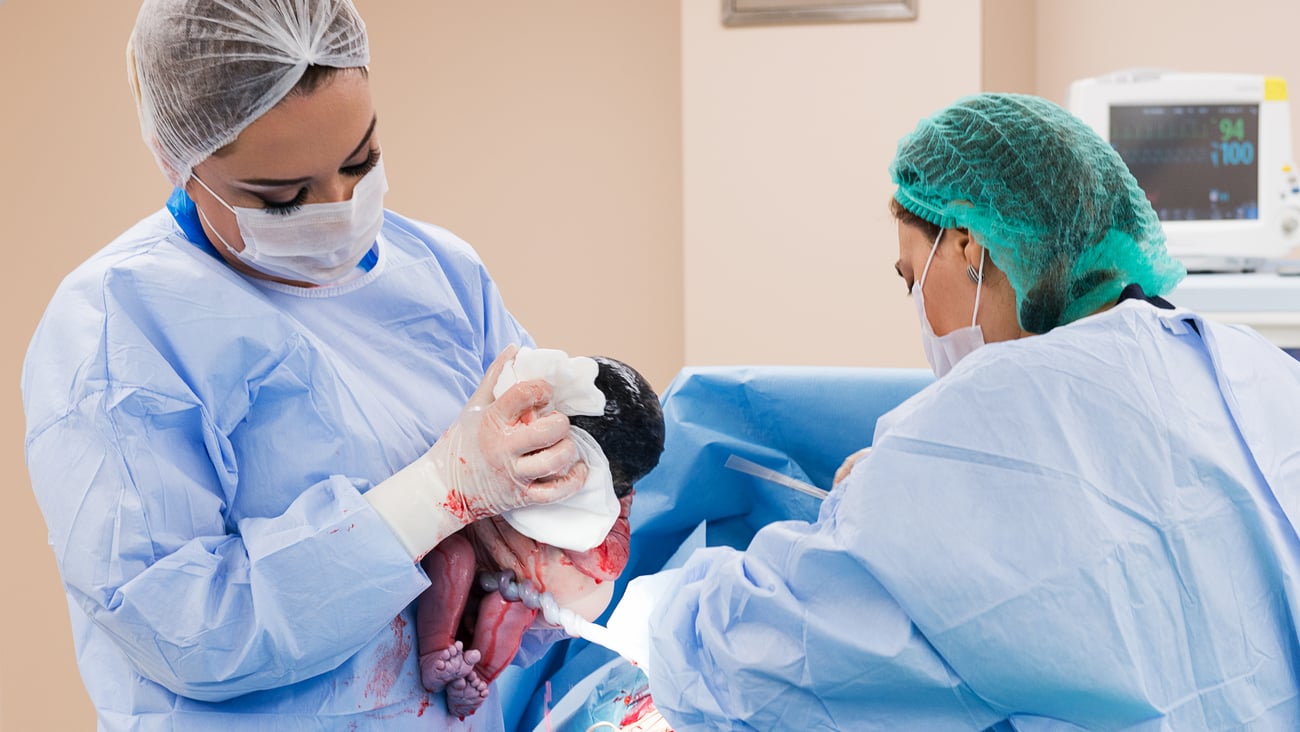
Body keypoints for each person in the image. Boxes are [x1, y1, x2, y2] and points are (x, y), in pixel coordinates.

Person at [635, 93, 1300, 729]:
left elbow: (771, 660)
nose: (918, 308)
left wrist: (655, 612)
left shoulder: (993, 415)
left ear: (969, 250)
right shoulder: (1251, 365)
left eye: (910, 277)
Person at [21, 1, 593, 729]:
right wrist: (434, 495)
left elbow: (537, 481)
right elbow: (184, 630)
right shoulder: (119, 325)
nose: (341, 209)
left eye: (362, 161)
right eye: (282, 199)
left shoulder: (442, 272)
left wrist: (539, 535)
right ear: (179, 162)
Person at [415, 355, 665, 719]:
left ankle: (476, 677)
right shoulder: (531, 414)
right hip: (457, 541)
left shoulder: (613, 502)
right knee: (455, 558)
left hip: (515, 590)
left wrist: (587, 522)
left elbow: (607, 562)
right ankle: (434, 650)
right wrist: (462, 483)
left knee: (512, 608)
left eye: (620, 483)